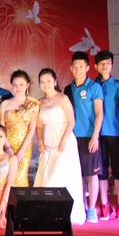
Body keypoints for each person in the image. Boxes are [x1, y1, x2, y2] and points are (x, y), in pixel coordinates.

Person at [33, 69, 86, 225]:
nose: (45, 84)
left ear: (55, 81)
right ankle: (47, 212)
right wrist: (40, 141)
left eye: (48, 81)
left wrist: (62, 141)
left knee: (61, 176)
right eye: (42, 82)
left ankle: (65, 213)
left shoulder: (63, 98)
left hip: (65, 141)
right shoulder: (40, 102)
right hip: (47, 142)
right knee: (46, 175)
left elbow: (71, 121)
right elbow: (39, 126)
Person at [64, 51, 104, 223]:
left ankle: (92, 209)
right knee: (77, 175)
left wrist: (95, 136)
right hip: (72, 138)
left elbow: (99, 112)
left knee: (92, 174)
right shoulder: (68, 89)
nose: (78, 69)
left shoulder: (94, 87)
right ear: (71, 68)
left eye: (81, 66)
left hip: (89, 136)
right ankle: (81, 207)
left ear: (87, 68)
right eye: (75, 66)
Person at [95, 50, 119, 220]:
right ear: (96, 66)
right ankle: (104, 205)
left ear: (112, 65)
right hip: (97, 135)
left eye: (108, 62)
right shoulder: (93, 86)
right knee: (101, 171)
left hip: (115, 133)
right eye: (101, 63)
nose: (105, 66)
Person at [0, 70, 38, 188]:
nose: (18, 88)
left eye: (21, 84)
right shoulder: (4, 104)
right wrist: (7, 147)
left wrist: (23, 149)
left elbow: (32, 129)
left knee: (21, 176)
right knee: (6, 175)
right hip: (6, 143)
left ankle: (21, 200)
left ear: (27, 85)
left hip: (24, 145)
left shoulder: (33, 104)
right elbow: (1, 128)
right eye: (15, 85)